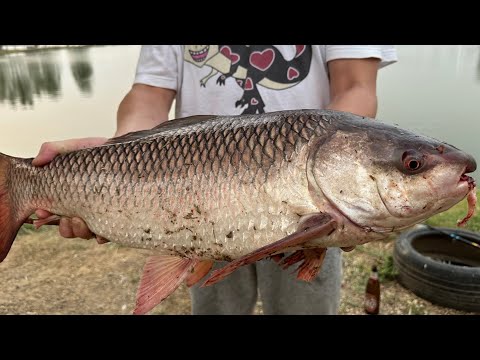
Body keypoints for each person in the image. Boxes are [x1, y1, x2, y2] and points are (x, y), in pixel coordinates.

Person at [32, 45, 398, 315]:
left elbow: (356, 87)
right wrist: (115, 156)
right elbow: (149, 95)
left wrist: (339, 185)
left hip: (309, 205)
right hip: (195, 198)